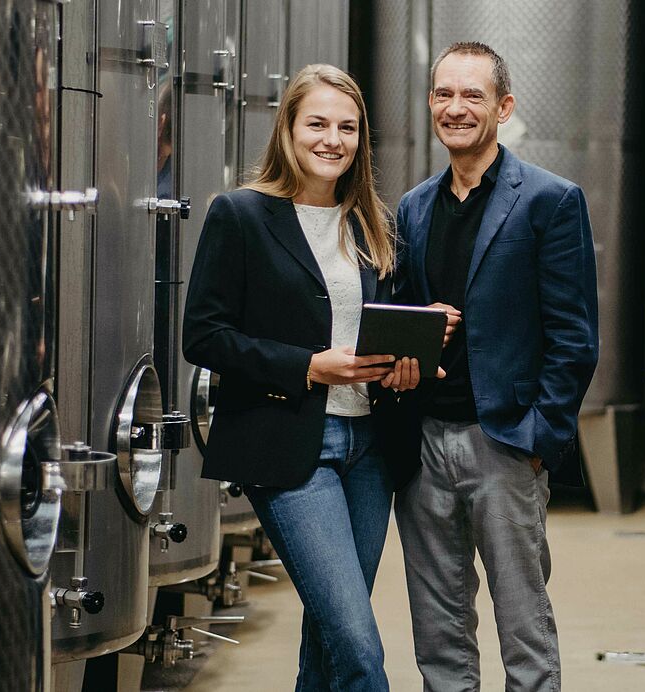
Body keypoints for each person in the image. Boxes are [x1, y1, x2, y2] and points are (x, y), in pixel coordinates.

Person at [182, 63, 423, 691]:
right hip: (292, 448)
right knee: (358, 643)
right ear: (287, 128)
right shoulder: (240, 214)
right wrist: (307, 367)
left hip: (370, 449)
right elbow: (203, 337)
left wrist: (407, 359)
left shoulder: (372, 223)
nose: (332, 140)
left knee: (326, 636)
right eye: (317, 123)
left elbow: (380, 324)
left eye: (347, 128)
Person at [390, 42, 599, 691]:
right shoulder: (413, 208)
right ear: (430, 103)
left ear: (503, 107)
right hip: (424, 447)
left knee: (523, 629)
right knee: (438, 630)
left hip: (503, 443)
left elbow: (575, 337)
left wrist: (539, 440)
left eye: (472, 95)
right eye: (443, 94)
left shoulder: (549, 200)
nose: (456, 108)